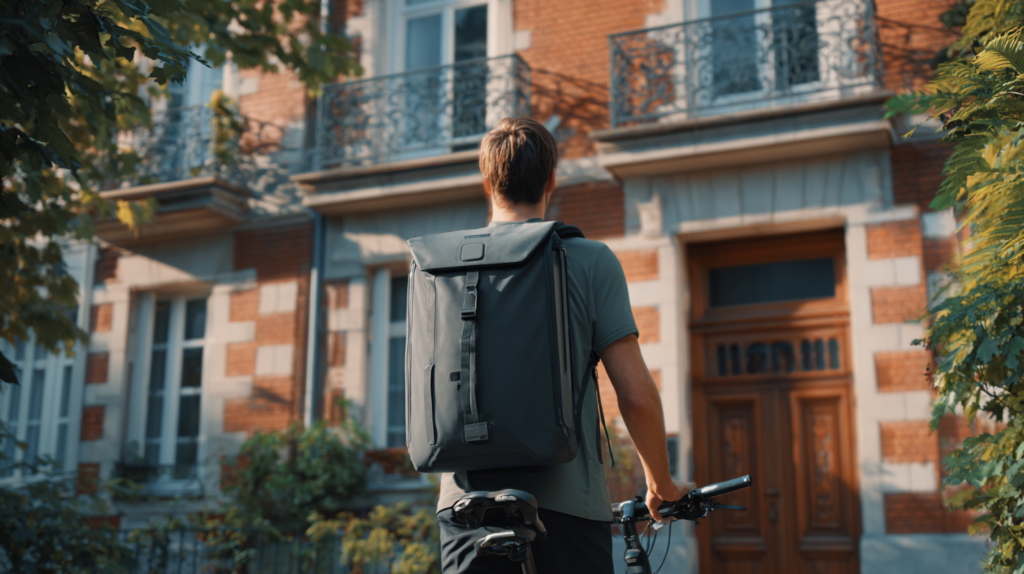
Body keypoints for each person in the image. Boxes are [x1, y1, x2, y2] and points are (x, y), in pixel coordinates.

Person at [435, 117, 690, 573]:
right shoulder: (589, 260)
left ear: (487, 181)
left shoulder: (438, 269)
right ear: (552, 179)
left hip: (465, 510)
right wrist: (660, 482)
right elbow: (635, 395)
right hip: (566, 511)